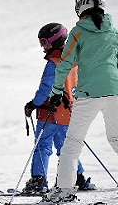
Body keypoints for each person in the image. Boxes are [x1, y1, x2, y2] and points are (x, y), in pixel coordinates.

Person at [43, 0, 118, 203]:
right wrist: (114, 81)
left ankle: (64, 190)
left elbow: (65, 63)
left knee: (73, 142)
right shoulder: (114, 31)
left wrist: (56, 92)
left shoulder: (78, 32)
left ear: (80, 6)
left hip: (88, 94)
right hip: (114, 92)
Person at [23, 23, 95, 195]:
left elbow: (46, 88)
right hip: (67, 113)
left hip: (50, 113)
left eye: (44, 42)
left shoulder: (54, 62)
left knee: (43, 146)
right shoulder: (73, 60)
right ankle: (78, 177)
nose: (43, 47)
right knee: (66, 147)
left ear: (55, 41)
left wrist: (34, 104)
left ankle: (38, 181)